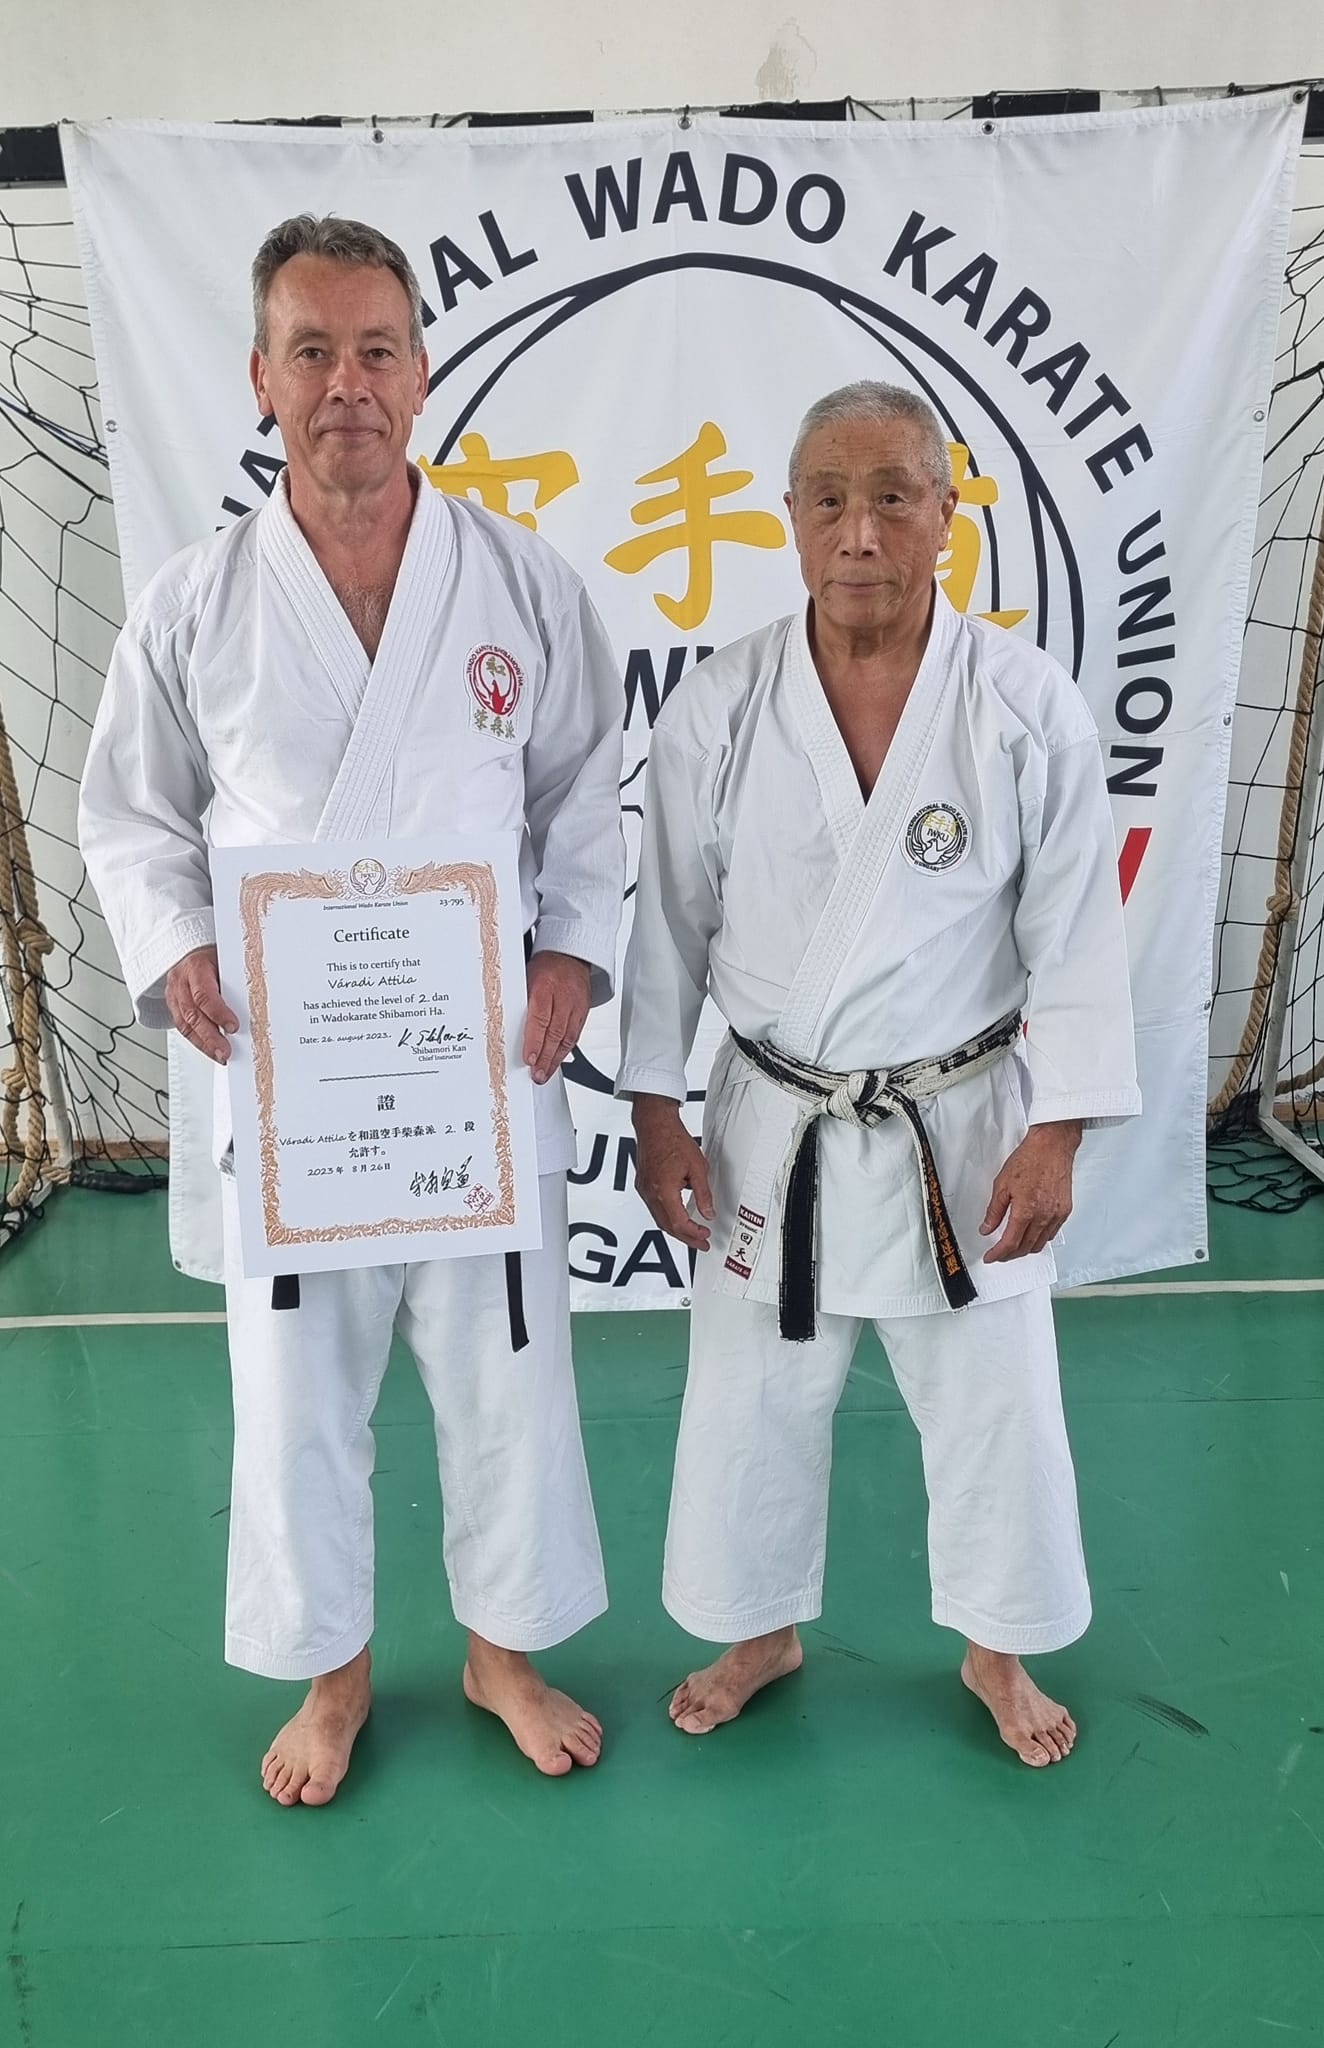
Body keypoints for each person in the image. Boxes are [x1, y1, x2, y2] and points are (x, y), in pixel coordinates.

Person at [80, 214, 625, 1802]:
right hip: (288, 1071)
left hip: (479, 1059)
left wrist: (571, 957)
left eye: (376, 350)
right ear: (260, 378)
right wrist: (178, 942)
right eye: (311, 351)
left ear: (422, 371)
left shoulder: (519, 583)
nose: (347, 384)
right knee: (298, 1392)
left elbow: (584, 795)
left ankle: (503, 1653)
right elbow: (132, 813)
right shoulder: (196, 603)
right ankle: (334, 1675)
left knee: (506, 1369)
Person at [618, 380, 1140, 1768]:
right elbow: (668, 922)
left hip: (958, 1122)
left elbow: (1075, 935)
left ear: (947, 516)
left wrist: (1060, 1133)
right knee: (750, 1394)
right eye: (832, 501)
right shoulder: (721, 704)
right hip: (772, 1119)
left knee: (994, 1399)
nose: (861, 533)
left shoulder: (1022, 706)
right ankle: (756, 1628)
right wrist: (655, 1108)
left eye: (894, 498)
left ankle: (997, 1645)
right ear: (790, 519)